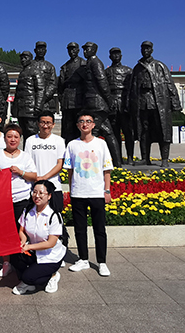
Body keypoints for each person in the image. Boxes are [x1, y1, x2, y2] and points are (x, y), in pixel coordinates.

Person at [64, 110, 113, 276]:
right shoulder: (72, 145)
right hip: (78, 193)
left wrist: (107, 190)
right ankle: (83, 259)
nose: (85, 124)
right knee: (80, 229)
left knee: (99, 229)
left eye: (88, 121)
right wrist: (71, 189)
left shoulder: (101, 144)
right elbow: (70, 170)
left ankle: (102, 262)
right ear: (77, 125)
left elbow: (107, 169)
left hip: (97, 192)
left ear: (93, 125)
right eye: (81, 121)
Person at [0, 123, 37, 278]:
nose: (12, 139)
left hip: (21, 199)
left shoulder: (25, 156)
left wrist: (21, 172)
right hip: (1, 199)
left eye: (16, 137)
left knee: (21, 231)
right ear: (5, 139)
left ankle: (21, 260)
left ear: (20, 139)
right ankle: (6, 262)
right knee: (4, 232)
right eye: (9, 136)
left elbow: (34, 176)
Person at [128, 41, 182, 167]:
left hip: (158, 103)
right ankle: (145, 158)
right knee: (143, 131)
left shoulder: (160, 66)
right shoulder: (137, 68)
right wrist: (129, 104)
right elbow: (132, 88)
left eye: (148, 48)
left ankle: (164, 159)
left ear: (152, 50)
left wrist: (175, 103)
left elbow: (170, 84)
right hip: (142, 103)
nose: (145, 51)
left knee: (162, 130)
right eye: (143, 48)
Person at [11, 180, 66, 295]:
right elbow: (22, 230)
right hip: (34, 252)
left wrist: (28, 247)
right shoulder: (28, 211)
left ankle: (52, 275)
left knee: (29, 277)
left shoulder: (54, 216)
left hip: (50, 256)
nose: (37, 195)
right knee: (15, 258)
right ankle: (29, 279)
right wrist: (23, 241)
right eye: (35, 192)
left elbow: (50, 243)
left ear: (49, 196)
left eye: (41, 193)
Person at [24, 110, 68, 247]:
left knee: (56, 218)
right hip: (34, 187)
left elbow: (60, 164)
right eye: (42, 122)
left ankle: (60, 247)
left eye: (48, 123)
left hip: (54, 186)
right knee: (34, 218)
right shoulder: (31, 140)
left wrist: (44, 178)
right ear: (38, 124)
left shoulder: (59, 141)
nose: (45, 125)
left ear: (53, 124)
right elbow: (27, 162)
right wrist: (36, 178)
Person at [81, 41, 121, 167]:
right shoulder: (90, 63)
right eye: (84, 49)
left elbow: (102, 82)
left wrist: (109, 100)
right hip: (94, 104)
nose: (85, 51)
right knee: (108, 132)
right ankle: (118, 163)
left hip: (96, 104)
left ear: (94, 50)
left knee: (92, 133)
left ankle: (90, 164)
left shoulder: (95, 62)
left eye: (87, 49)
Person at [105, 47, 135, 165]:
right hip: (112, 103)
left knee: (128, 132)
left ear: (121, 56)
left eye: (118, 54)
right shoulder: (106, 72)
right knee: (115, 132)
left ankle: (130, 157)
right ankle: (118, 158)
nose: (116, 56)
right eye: (113, 54)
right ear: (110, 57)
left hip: (125, 102)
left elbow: (133, 89)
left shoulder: (128, 71)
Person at [58, 42, 86, 142]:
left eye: (74, 49)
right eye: (69, 49)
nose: (72, 51)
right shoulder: (65, 66)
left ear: (78, 50)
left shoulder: (83, 63)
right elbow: (60, 86)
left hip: (79, 99)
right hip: (67, 99)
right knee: (68, 127)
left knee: (80, 125)